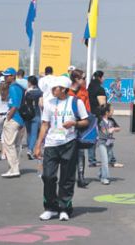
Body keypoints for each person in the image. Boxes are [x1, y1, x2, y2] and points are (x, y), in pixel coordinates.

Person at [33, 76, 89, 221]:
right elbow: (44, 124)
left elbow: (86, 121)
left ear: (63, 89)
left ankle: (65, 208)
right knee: (48, 176)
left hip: (69, 143)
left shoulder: (76, 102)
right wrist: (38, 145)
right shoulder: (49, 103)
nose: (52, 90)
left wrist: (74, 124)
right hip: (51, 144)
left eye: (55, 88)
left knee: (67, 178)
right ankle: (50, 207)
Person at [68, 70, 92, 187]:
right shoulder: (66, 92)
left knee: (81, 152)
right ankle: (69, 176)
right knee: (69, 153)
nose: (85, 80)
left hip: (80, 125)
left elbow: (87, 110)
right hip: (67, 125)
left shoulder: (84, 92)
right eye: (83, 78)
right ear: (77, 79)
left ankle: (81, 177)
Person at [1, 68, 26, 178]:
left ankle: (14, 168)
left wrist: (8, 117)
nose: (5, 77)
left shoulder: (13, 88)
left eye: (7, 76)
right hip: (20, 118)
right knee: (16, 145)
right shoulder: (20, 87)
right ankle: (14, 167)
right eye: (5, 76)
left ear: (13, 76)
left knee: (9, 144)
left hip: (14, 118)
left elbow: (15, 105)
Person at [86, 70, 107, 167]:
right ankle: (107, 159)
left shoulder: (89, 87)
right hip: (98, 115)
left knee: (92, 137)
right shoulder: (100, 89)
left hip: (89, 114)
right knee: (104, 137)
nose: (104, 79)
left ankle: (91, 159)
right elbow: (102, 105)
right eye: (103, 77)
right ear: (100, 78)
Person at [95, 104, 120, 185]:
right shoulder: (100, 121)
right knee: (105, 160)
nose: (113, 111)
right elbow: (103, 131)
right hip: (102, 142)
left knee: (108, 159)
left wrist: (114, 129)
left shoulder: (112, 120)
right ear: (107, 112)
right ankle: (104, 178)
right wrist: (108, 130)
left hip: (109, 143)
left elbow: (119, 128)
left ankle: (101, 173)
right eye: (111, 110)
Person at [24, 76, 43, 160]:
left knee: (28, 132)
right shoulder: (40, 92)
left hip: (27, 114)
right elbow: (41, 104)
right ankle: (30, 149)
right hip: (36, 114)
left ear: (29, 82)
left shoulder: (27, 91)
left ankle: (29, 148)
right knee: (34, 134)